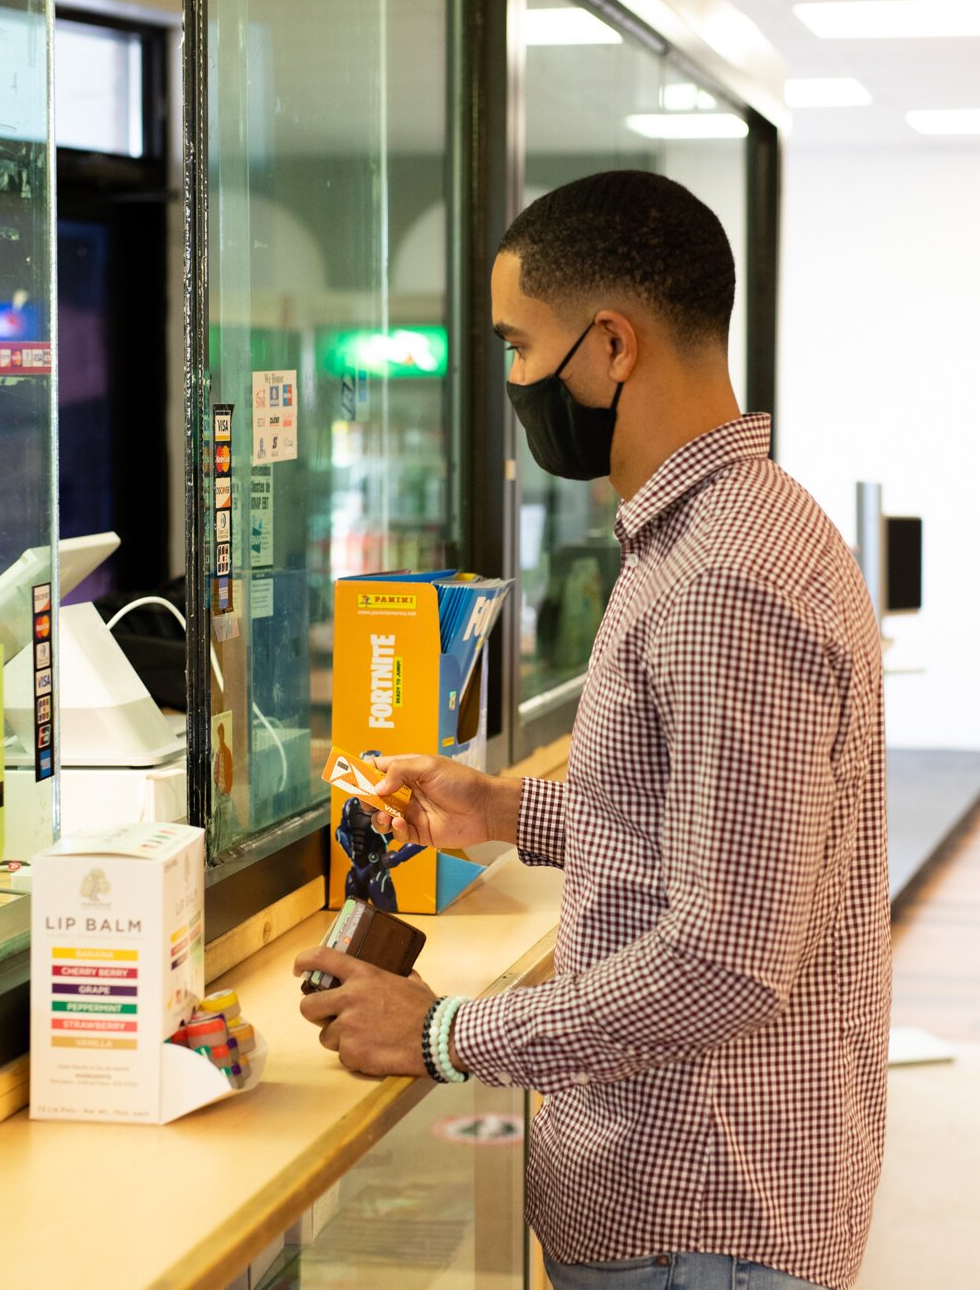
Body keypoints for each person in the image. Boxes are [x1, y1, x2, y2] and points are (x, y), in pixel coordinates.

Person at [295, 172, 889, 1290]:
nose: (515, 381)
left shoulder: (724, 580)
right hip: (696, 1195)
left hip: (699, 1210)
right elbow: (720, 833)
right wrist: (509, 811)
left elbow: (722, 961)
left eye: (520, 346)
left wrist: (441, 1034)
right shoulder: (726, 527)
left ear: (610, 347)